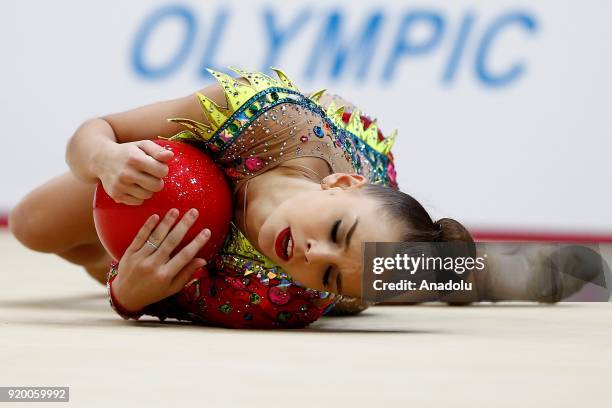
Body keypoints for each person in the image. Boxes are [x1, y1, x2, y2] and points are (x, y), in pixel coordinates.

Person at [8, 67, 598, 329]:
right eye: (331, 232)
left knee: (377, 277)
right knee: (34, 227)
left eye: (324, 272)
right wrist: (108, 160)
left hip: (356, 253)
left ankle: (472, 274)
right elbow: (94, 130)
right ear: (339, 186)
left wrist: (130, 297)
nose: (308, 250)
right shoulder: (255, 114)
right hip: (293, 173)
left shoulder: (292, 295)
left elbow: (185, 297)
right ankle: (468, 268)